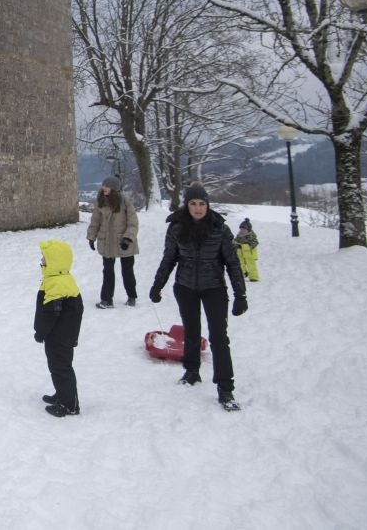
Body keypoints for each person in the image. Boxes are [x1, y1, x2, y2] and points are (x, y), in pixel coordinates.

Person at [149, 184, 248, 410]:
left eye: (202, 203)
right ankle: (192, 371)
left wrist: (240, 294)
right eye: (193, 203)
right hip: (185, 287)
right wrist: (157, 286)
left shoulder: (219, 228)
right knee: (191, 332)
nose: (198, 208)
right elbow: (168, 259)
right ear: (187, 205)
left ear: (207, 205)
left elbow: (232, 263)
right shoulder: (176, 228)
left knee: (219, 337)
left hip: (214, 288)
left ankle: (225, 388)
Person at [35, 240, 84, 417]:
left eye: (45, 258)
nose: (41, 260)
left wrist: (40, 332)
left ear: (55, 261)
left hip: (59, 337)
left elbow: (49, 313)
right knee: (59, 367)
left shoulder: (57, 283)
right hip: (61, 335)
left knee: (61, 368)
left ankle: (69, 405)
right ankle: (63, 394)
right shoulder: (59, 279)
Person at [85, 176, 139, 308]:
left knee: (127, 271)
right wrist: (91, 236)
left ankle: (131, 296)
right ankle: (107, 300)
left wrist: (128, 238)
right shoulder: (100, 202)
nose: (104, 188)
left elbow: (133, 222)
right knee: (108, 271)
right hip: (106, 242)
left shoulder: (124, 202)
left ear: (114, 189)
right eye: (104, 185)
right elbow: (95, 221)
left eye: (107, 186)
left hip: (123, 241)